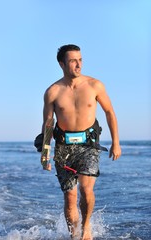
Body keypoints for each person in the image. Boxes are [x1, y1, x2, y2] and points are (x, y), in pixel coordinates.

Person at [41, 44, 121, 240]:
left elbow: (110, 112)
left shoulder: (95, 85)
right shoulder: (53, 91)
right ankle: (73, 235)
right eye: (73, 61)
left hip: (88, 145)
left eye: (80, 60)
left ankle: (85, 230)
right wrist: (45, 153)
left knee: (86, 190)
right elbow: (48, 124)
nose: (79, 65)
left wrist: (116, 142)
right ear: (61, 64)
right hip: (63, 147)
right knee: (70, 198)